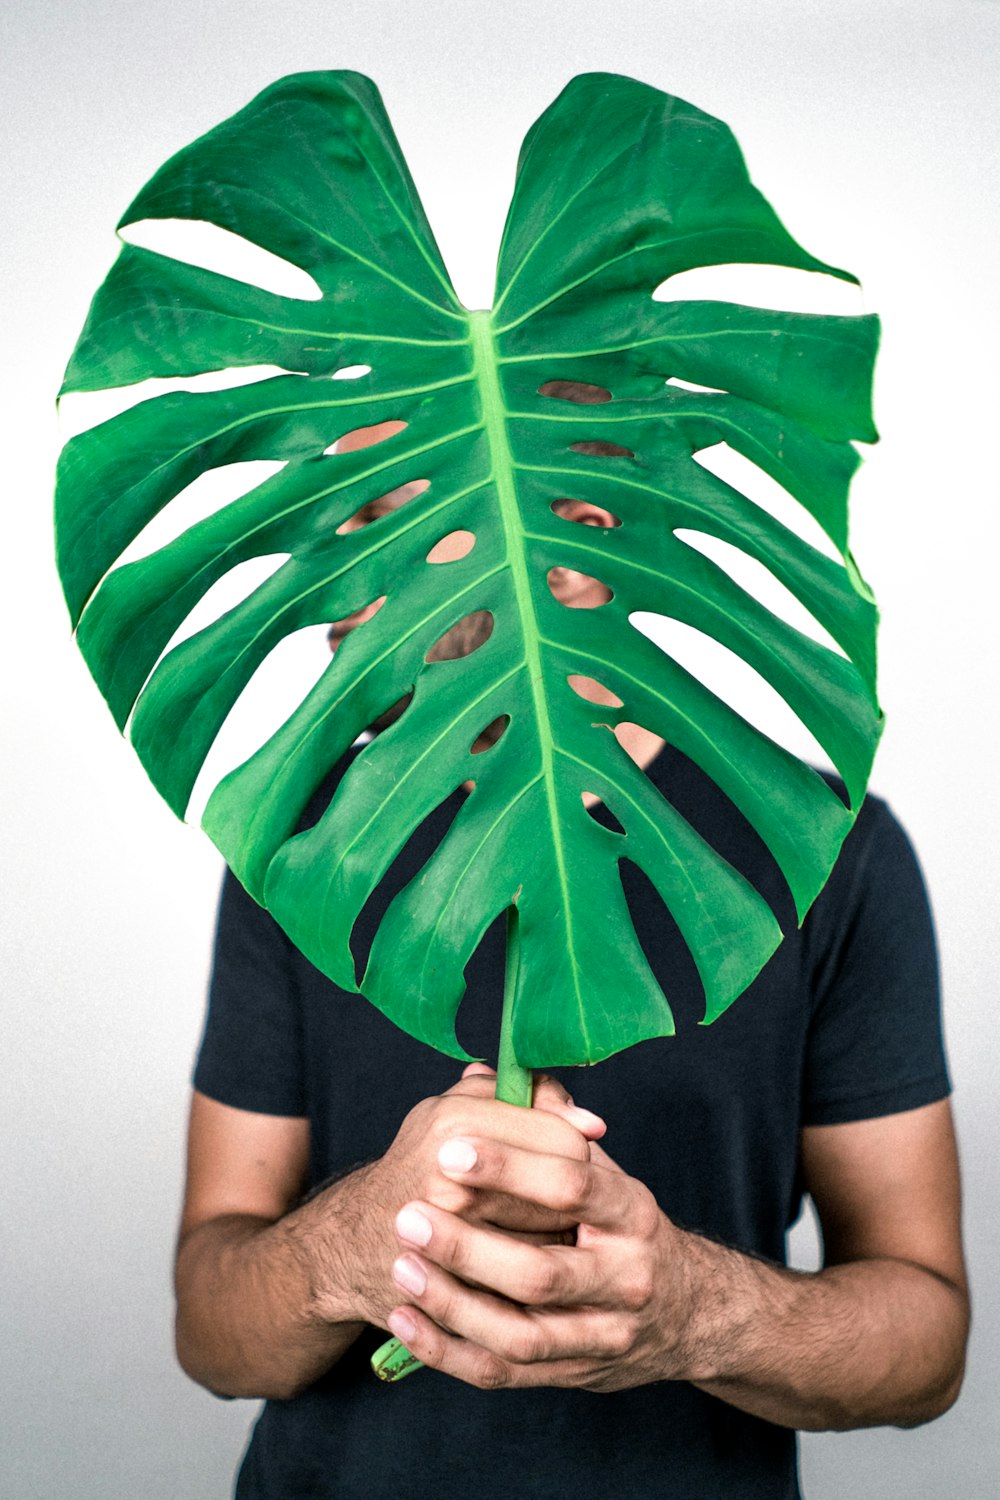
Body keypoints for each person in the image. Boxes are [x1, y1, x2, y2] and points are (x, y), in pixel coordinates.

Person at [175, 415, 968, 1499]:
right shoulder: (307, 852)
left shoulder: (823, 856)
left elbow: (925, 1346)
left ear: (577, 530)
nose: (325, 600)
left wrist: (690, 1313)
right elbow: (211, 1335)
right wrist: (362, 1240)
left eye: (374, 526)